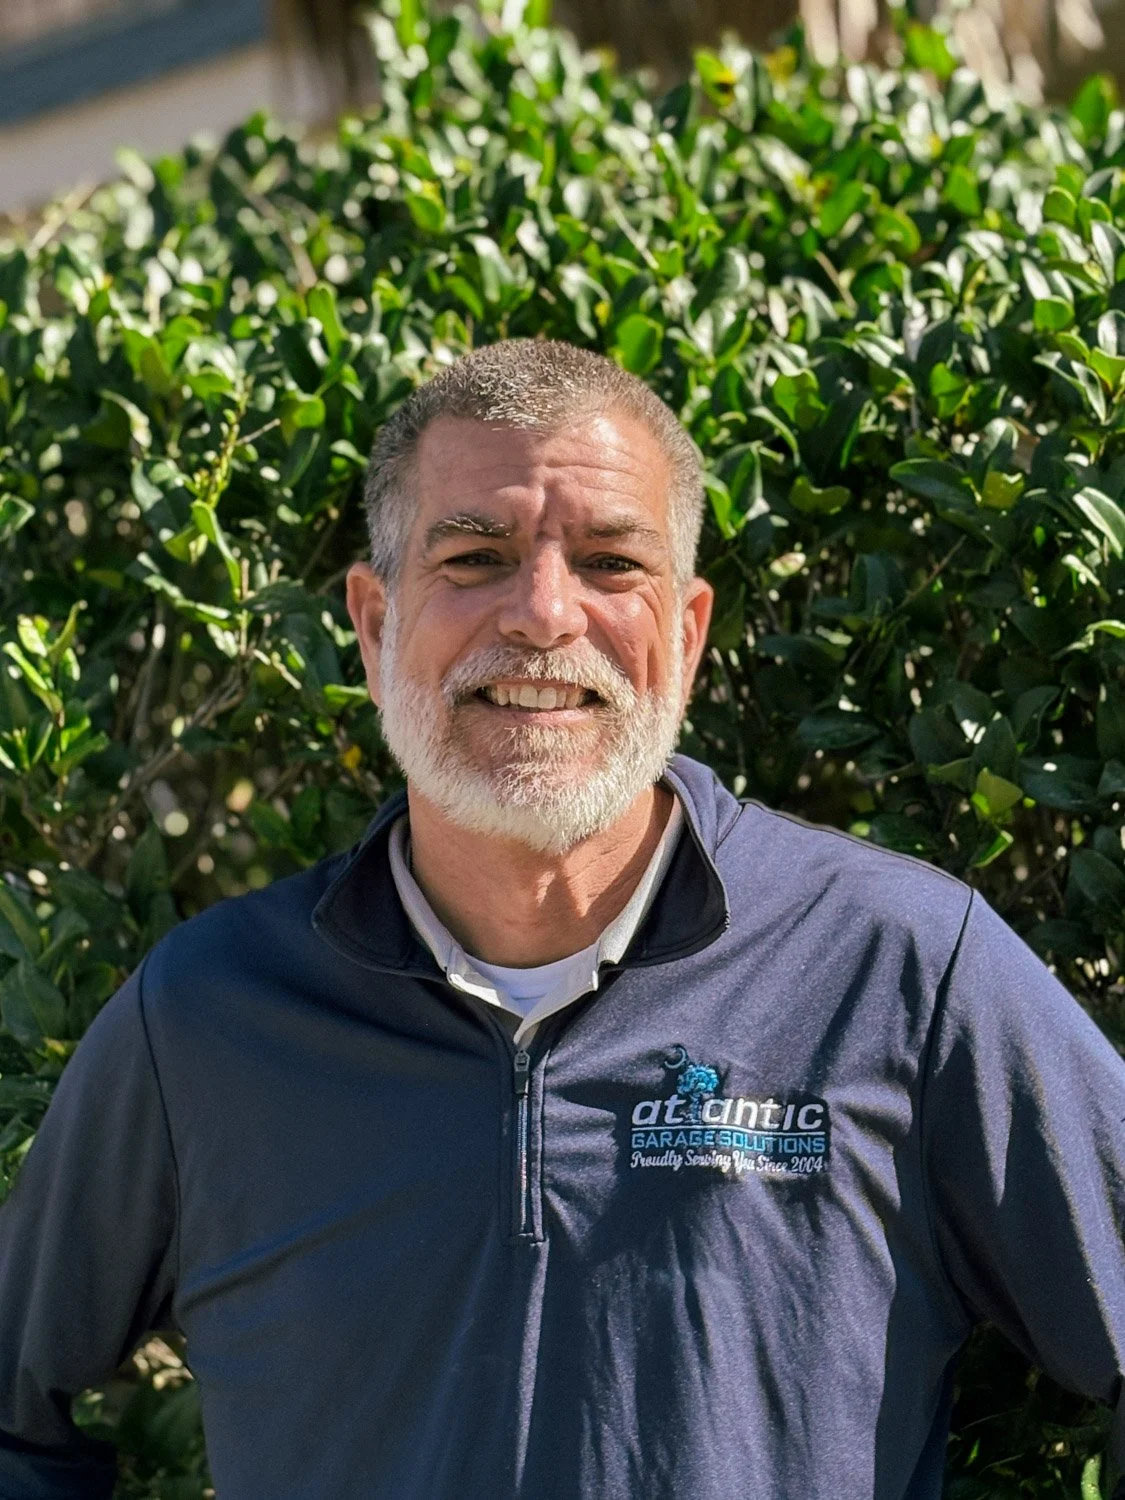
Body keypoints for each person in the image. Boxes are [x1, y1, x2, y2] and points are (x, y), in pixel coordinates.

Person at [0, 338, 1122, 1500]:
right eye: (476, 556)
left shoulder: (897, 970)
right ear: (375, 621)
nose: (542, 615)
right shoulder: (208, 1020)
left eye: (608, 562)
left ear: (685, 633)